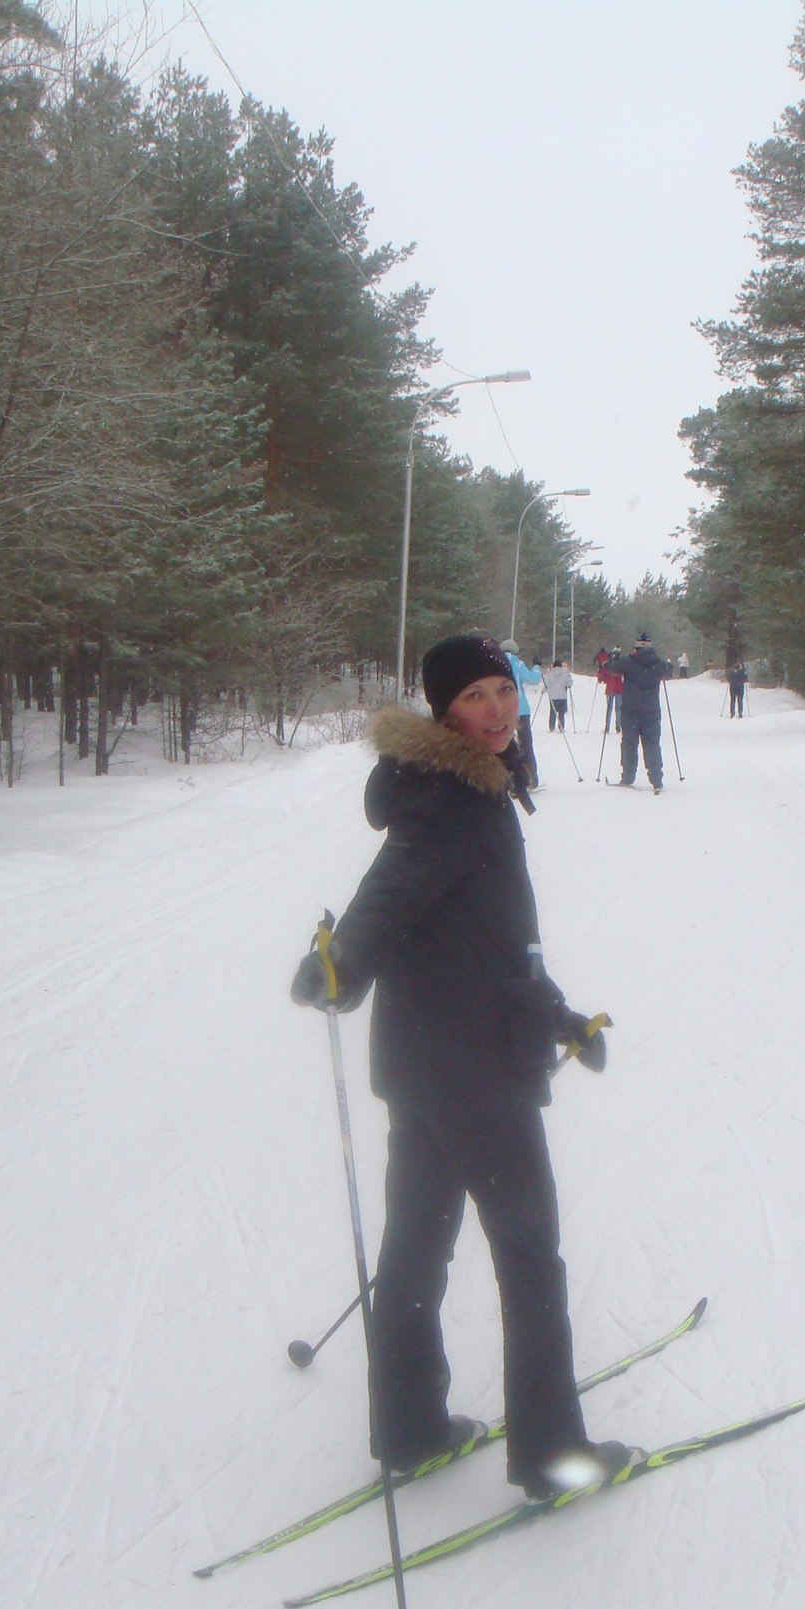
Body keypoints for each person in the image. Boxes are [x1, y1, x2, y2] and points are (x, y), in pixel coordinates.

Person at [291, 634, 635, 1500]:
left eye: (503, 691)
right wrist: (343, 965)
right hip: (479, 1075)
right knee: (530, 1261)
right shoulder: (456, 800)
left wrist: (560, 1018)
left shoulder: (455, 789)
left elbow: (493, 944)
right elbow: (391, 894)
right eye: (474, 696)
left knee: (416, 1251)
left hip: (425, 1069)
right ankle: (553, 1457)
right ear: (444, 710)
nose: (496, 709)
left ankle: (410, 1429)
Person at [610, 631, 671, 792]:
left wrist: (615, 656)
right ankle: (656, 779)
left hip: (630, 711)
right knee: (652, 745)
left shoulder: (629, 662)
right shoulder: (658, 663)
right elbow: (668, 671)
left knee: (629, 744)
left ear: (636, 647)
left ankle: (628, 776)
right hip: (651, 711)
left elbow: (611, 668)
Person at [499, 637, 539, 789]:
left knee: (505, 745)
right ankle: (531, 779)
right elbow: (533, 679)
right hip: (521, 709)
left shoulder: (496, 663)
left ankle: (509, 781)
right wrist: (536, 666)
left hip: (503, 711)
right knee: (525, 744)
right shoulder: (518, 663)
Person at [595, 650, 623, 732]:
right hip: (619, 689)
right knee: (618, 709)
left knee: (609, 709)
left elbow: (603, 676)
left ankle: (607, 727)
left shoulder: (607, 665)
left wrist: (600, 676)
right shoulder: (621, 665)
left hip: (610, 689)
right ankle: (618, 727)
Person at [544, 658, 573, 731]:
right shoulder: (564, 674)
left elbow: (547, 684)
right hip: (562, 697)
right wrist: (569, 675)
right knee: (561, 713)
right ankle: (561, 727)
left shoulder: (550, 674)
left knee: (553, 712)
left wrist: (544, 690)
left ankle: (551, 727)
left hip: (553, 697)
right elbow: (569, 683)